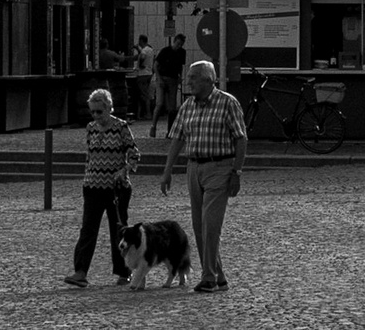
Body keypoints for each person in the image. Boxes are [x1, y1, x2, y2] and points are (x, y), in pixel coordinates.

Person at [159, 60, 247, 294]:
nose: (189, 82)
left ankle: (208, 277)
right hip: (194, 168)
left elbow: (241, 138)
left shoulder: (227, 103)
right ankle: (220, 279)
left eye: (193, 78)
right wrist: (167, 171)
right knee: (200, 227)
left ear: (208, 79)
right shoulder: (187, 106)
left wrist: (237, 172)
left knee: (211, 225)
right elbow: (177, 138)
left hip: (219, 167)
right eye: (189, 78)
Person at [63, 87, 140, 288]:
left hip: (116, 188)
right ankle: (80, 272)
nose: (96, 116)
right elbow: (90, 155)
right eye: (93, 112)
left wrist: (124, 170)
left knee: (119, 231)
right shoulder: (90, 128)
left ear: (108, 109)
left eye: (100, 111)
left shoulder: (121, 127)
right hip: (92, 186)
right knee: (88, 230)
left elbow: (134, 154)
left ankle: (124, 272)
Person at [150, 33, 187, 139]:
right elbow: (156, 65)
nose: (179, 46)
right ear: (174, 41)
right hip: (163, 77)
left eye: (181, 44)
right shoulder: (165, 51)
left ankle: (170, 130)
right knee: (160, 103)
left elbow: (180, 66)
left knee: (172, 107)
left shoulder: (182, 53)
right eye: (178, 44)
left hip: (173, 79)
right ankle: (153, 126)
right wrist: (159, 78)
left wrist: (179, 76)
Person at [132, 34, 154, 120]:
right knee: (145, 94)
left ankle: (148, 113)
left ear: (141, 40)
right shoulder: (150, 50)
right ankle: (141, 114)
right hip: (149, 73)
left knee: (143, 95)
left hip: (142, 74)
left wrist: (140, 65)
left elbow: (142, 56)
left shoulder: (144, 50)